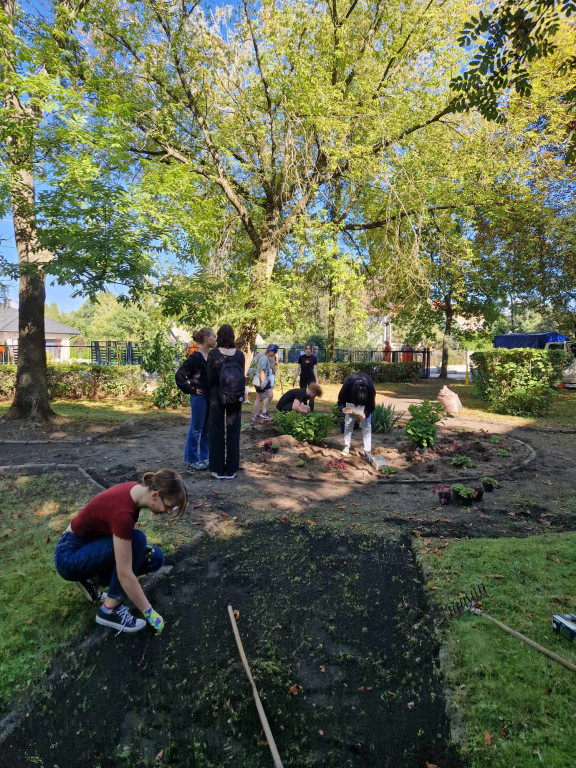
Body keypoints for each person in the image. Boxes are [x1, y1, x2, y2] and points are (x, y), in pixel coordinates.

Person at [53, 470, 188, 634]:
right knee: (137, 540)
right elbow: (124, 573)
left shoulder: (134, 491)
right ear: (155, 495)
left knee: (155, 558)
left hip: (87, 547)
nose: (167, 512)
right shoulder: (123, 514)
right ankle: (109, 609)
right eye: (168, 506)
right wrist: (149, 612)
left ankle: (91, 579)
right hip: (69, 555)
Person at [207, 324, 246, 479]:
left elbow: (209, 377)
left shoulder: (213, 354)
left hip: (217, 396)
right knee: (233, 432)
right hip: (235, 396)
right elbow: (241, 376)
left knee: (216, 431)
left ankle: (217, 469)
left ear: (219, 336)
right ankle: (231, 470)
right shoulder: (240, 355)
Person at [175, 327, 216, 471]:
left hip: (210, 397)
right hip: (199, 398)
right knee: (196, 428)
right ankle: (192, 459)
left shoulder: (212, 357)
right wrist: (191, 389)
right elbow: (180, 375)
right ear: (206, 338)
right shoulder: (195, 358)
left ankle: (205, 458)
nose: (215, 340)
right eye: (214, 337)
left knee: (207, 428)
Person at [337, 372, 376, 461]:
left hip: (365, 407)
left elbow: (372, 407)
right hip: (350, 405)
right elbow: (340, 401)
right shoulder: (347, 385)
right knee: (348, 424)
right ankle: (346, 446)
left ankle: (367, 450)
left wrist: (365, 414)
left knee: (367, 426)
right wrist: (343, 409)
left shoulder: (370, 389)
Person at [252, 345, 277, 422]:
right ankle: (255, 416)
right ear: (271, 351)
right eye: (274, 352)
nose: (274, 354)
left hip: (265, 381)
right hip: (260, 381)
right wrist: (262, 382)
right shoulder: (263, 359)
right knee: (259, 398)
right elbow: (262, 371)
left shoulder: (267, 357)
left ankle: (263, 412)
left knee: (270, 395)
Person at [293, 343, 319, 411]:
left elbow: (315, 370)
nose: (308, 350)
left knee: (312, 394)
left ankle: (311, 411)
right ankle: (303, 410)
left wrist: (317, 381)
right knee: (303, 394)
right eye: (306, 349)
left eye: (309, 349)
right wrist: (294, 378)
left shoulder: (314, 358)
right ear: (305, 350)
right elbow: (298, 369)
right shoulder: (301, 358)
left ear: (311, 350)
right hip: (303, 378)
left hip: (311, 378)